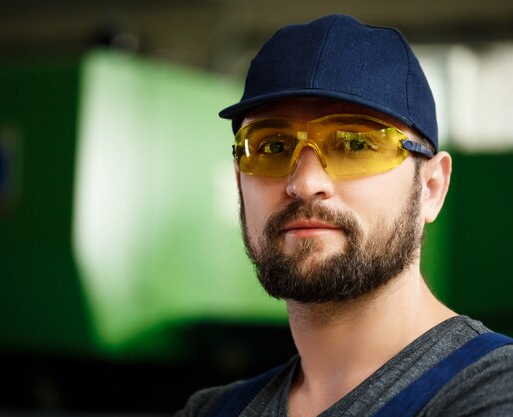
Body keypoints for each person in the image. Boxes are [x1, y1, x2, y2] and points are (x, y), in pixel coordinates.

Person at [175, 14, 513, 417]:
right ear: (239, 182)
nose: (304, 183)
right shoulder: (211, 410)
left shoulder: (493, 393)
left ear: (432, 187)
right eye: (272, 147)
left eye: (354, 143)